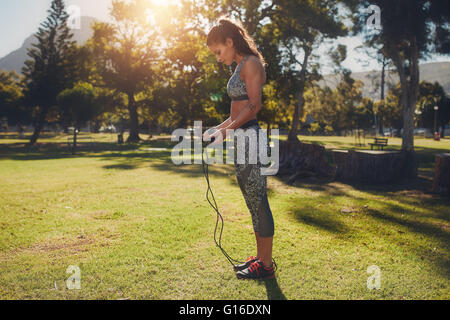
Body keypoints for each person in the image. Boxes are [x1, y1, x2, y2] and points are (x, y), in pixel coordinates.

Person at [203, 17, 275, 280]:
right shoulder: (239, 67)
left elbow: (254, 106)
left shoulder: (252, 64)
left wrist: (226, 130)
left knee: (260, 203)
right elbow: (237, 111)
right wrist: (217, 128)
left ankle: (266, 266)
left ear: (230, 42)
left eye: (218, 51)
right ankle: (259, 259)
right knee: (252, 203)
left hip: (252, 140)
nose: (218, 58)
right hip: (241, 141)